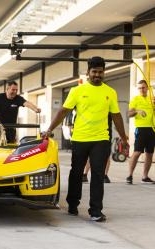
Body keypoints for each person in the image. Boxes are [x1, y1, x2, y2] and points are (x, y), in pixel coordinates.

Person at [44, 56, 128, 222]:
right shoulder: (77, 91)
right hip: (80, 138)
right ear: (88, 72)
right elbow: (63, 111)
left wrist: (124, 137)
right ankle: (73, 204)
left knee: (98, 174)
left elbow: (116, 115)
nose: (97, 75)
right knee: (76, 172)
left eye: (100, 72)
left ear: (104, 72)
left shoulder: (110, 92)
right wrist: (49, 129)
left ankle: (96, 210)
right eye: (94, 72)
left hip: (101, 138)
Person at [126, 80, 155, 184]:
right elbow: (129, 114)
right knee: (137, 152)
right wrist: (138, 111)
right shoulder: (135, 99)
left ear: (147, 88)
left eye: (143, 87)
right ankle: (129, 175)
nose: (142, 89)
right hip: (141, 129)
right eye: (140, 88)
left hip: (152, 129)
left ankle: (145, 176)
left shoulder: (152, 99)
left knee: (150, 153)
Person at [83, 113, 113, 184]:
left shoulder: (108, 109)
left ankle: (104, 175)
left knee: (105, 155)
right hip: (97, 134)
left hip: (104, 134)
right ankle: (86, 174)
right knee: (92, 154)